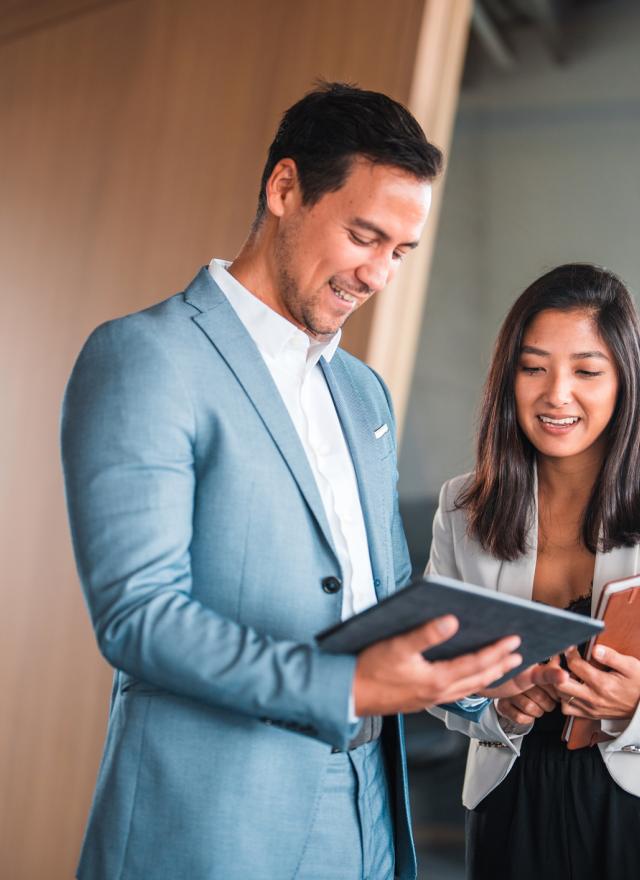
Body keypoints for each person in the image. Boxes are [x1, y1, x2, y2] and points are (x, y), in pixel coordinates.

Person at [61, 82, 533, 880]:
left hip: (367, 818)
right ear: (285, 188)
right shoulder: (146, 356)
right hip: (210, 824)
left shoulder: (363, 392)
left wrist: (487, 690)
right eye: (364, 235)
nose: (378, 274)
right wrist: (347, 684)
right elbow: (138, 617)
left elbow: (387, 604)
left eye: (401, 252)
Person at [428, 262, 640, 880]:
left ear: (624, 380)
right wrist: (498, 709)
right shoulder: (462, 507)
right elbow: (438, 677)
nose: (556, 394)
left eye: (586, 371)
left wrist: (633, 704)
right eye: (533, 367)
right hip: (509, 796)